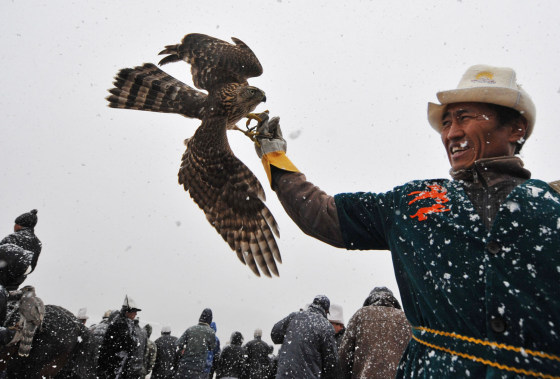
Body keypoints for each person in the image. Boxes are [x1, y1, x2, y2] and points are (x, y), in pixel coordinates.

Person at [254, 64, 560, 377]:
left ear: (515, 129)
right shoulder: (414, 202)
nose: (451, 133)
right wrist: (274, 158)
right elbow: (324, 215)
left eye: (465, 117)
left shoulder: (553, 207)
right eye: (446, 122)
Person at [338, 287, 411, 379]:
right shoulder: (405, 319)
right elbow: (412, 356)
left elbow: (344, 355)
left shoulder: (360, 315)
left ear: (370, 299)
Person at [271, 295, 339, 378]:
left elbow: (275, 335)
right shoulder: (326, 326)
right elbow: (331, 363)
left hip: (284, 375)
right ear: (326, 310)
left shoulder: (294, 317)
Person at [97, 295, 141, 379]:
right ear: (127, 312)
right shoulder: (120, 323)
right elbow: (131, 343)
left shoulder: (127, 323)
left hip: (115, 366)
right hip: (112, 367)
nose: (136, 314)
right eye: (134, 311)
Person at [0, 209, 42, 289]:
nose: (14, 226)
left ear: (20, 225)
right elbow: (32, 266)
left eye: (15, 224)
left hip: (3, 275)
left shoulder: (12, 238)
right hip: (18, 278)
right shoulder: (37, 243)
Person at [174, 308, 216, 378]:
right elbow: (212, 347)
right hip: (198, 368)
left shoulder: (190, 329)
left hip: (184, 366)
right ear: (210, 319)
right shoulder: (211, 332)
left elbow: (178, 344)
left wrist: (183, 351)